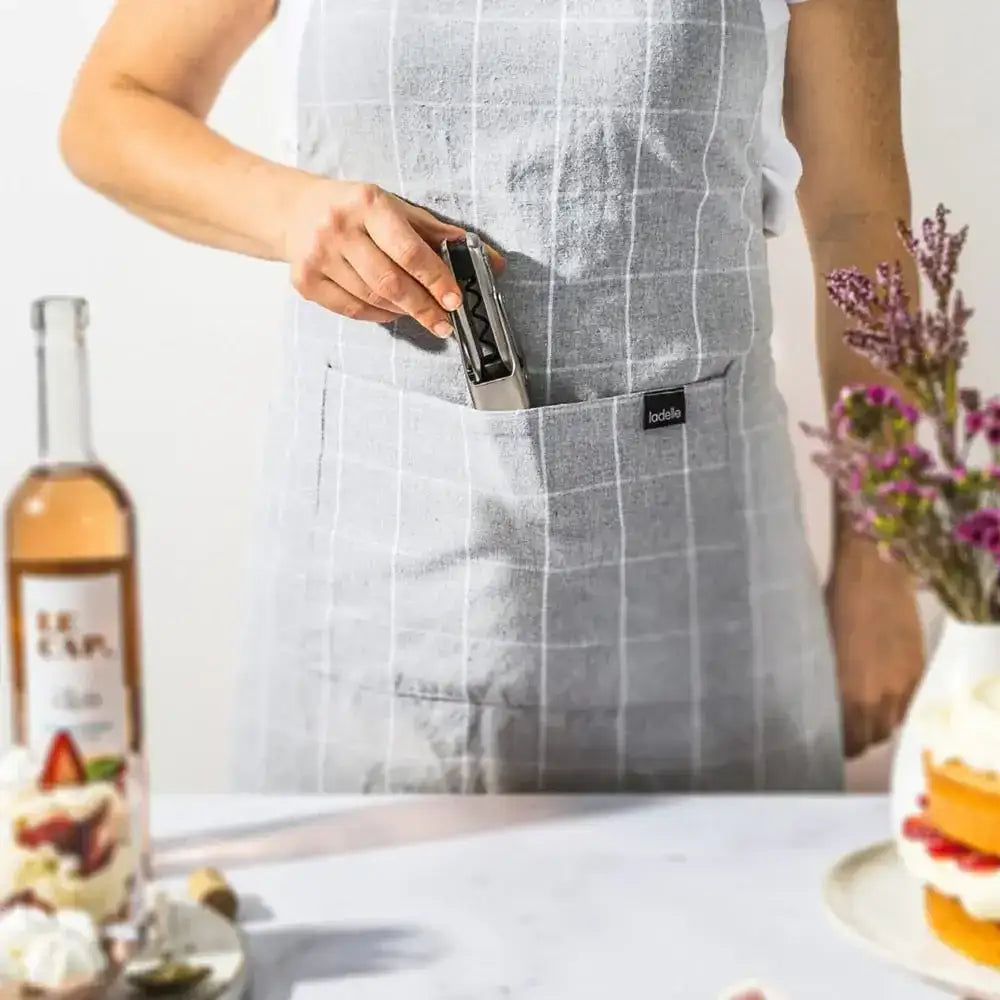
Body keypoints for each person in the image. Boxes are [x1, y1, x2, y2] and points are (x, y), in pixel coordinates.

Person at [60, 0, 924, 793]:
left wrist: (881, 564)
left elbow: (860, 215)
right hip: (378, 592)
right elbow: (113, 106)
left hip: (705, 597)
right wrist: (289, 213)